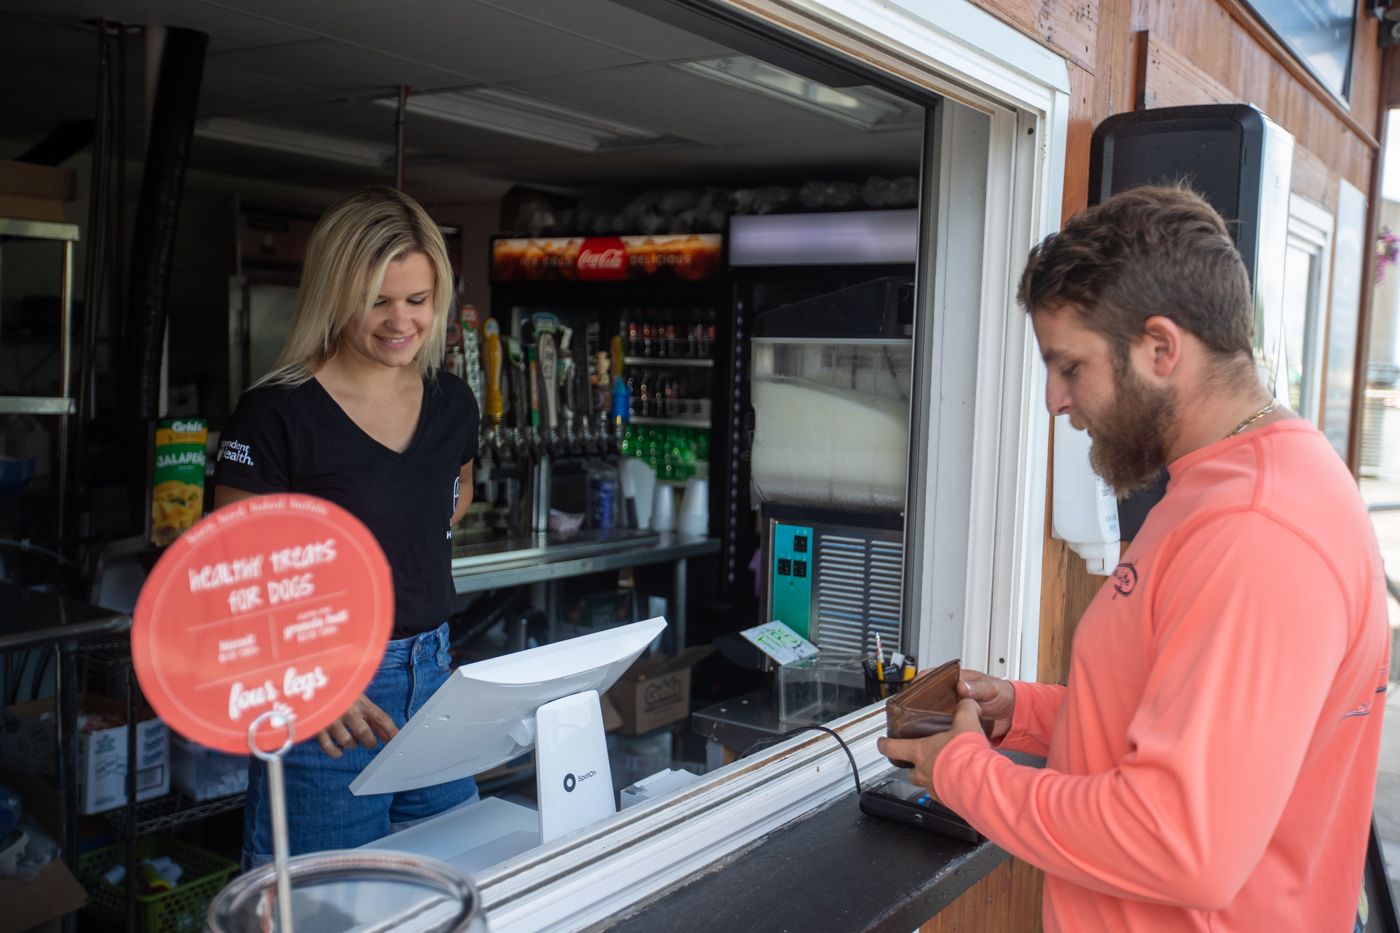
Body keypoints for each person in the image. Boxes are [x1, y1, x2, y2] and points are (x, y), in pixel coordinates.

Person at [878, 185, 1389, 932]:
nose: (1055, 399)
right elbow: (1180, 717)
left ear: (1159, 348)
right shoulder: (1225, 484)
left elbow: (1181, 843)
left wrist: (964, 774)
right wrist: (1024, 713)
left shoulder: (1255, 530)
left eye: (1069, 366)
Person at [213, 186, 479, 868]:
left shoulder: (452, 400)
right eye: (377, 301)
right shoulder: (276, 413)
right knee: (329, 902)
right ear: (335, 294)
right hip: (329, 693)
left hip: (436, 678)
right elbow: (229, 575)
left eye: (417, 300)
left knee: (455, 888)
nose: (401, 321)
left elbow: (456, 490)